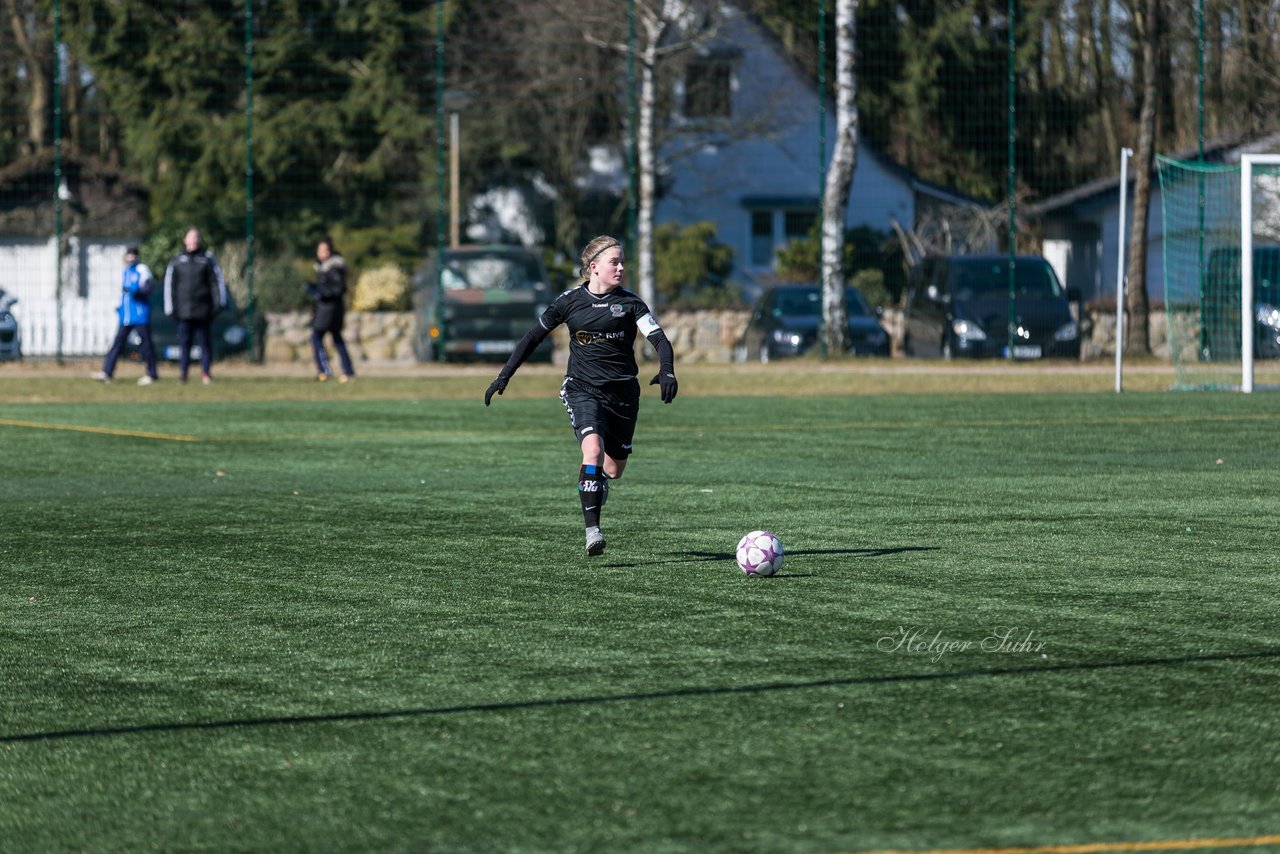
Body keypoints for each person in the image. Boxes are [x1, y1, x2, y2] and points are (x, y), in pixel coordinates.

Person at [484, 235, 678, 556]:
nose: (621, 267)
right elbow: (533, 337)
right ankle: (593, 532)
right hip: (582, 388)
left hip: (623, 393)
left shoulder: (631, 303)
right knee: (593, 450)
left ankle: (595, 483)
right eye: (614, 262)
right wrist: (504, 376)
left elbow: (658, 338)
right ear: (593, 268)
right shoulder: (569, 301)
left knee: (613, 470)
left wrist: (667, 369)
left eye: (622, 261)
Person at [163, 227, 227, 385]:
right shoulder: (177, 260)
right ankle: (183, 374)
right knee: (184, 344)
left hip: (203, 310)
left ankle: (206, 373)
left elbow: (216, 283)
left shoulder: (207, 258)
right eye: (191, 237)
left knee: (205, 343)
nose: (194, 240)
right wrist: (170, 308)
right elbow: (169, 286)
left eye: (196, 237)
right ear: (185, 240)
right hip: (184, 311)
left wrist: (219, 304)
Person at [94, 245, 158, 385]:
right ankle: (107, 372)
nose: (131, 258)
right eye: (129, 255)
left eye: (134, 255)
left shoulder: (142, 270)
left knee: (146, 345)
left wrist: (135, 292)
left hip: (140, 315)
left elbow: (148, 288)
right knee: (117, 344)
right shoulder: (126, 271)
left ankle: (152, 374)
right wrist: (119, 307)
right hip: (126, 316)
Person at [306, 236, 355, 382]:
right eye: (320, 250)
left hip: (329, 309)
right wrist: (313, 289)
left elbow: (338, 289)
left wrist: (320, 293)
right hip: (329, 308)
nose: (322, 253)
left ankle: (324, 370)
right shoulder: (323, 267)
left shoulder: (333, 267)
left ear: (331, 251)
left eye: (325, 250)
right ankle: (348, 370)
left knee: (316, 336)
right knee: (337, 338)